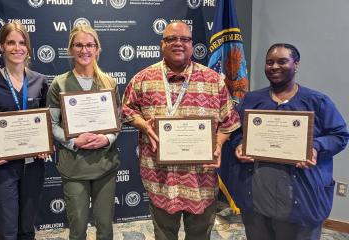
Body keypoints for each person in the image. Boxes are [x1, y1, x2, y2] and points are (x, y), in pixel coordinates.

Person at [121, 21, 240, 240]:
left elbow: (229, 121)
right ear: (161, 44)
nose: (178, 43)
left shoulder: (214, 81)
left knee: (200, 235)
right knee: (164, 235)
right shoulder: (142, 79)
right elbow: (126, 110)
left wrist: (219, 143)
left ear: (192, 45)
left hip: (201, 180)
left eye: (184, 39)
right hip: (160, 178)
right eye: (171, 39)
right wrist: (142, 124)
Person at [232, 43, 349, 240]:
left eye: (282, 61)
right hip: (258, 196)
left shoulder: (318, 101)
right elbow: (236, 131)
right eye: (270, 62)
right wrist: (239, 144)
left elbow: (339, 135)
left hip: (302, 198)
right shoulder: (252, 100)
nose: (274, 66)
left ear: (296, 65)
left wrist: (315, 147)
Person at [46, 25, 120, 240]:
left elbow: (118, 121)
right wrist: (73, 142)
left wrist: (106, 138)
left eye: (89, 45)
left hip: (105, 165)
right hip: (74, 167)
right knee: (77, 227)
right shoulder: (59, 84)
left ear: (97, 49)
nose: (84, 50)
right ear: (70, 49)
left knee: (105, 227)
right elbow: (51, 124)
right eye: (79, 45)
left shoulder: (109, 83)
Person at [0, 22, 48, 240]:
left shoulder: (40, 81)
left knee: (26, 228)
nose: (17, 48)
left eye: (22, 42)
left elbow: (44, 121)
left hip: (33, 164)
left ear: (28, 47)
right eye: (11, 43)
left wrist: (45, 145)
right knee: (7, 232)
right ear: (1, 47)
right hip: (2, 167)